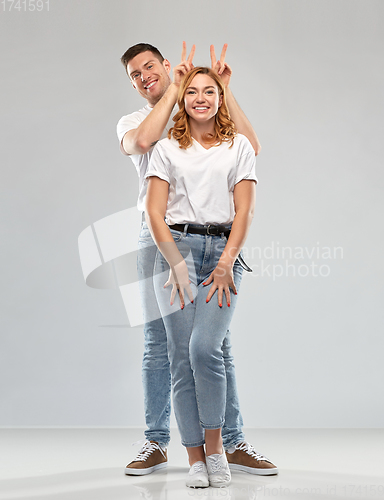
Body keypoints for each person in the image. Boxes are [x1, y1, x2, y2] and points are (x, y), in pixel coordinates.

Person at [116, 42, 278, 477]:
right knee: (160, 346)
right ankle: (157, 440)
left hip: (213, 239)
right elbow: (146, 140)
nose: (144, 75)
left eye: (150, 66)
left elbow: (250, 145)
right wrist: (177, 89)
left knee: (213, 347)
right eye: (135, 74)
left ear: (167, 65)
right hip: (159, 238)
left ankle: (230, 440)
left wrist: (221, 89)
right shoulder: (138, 121)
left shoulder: (203, 107)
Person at [144, 65, 260, 487]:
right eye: (191, 91)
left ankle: (215, 449)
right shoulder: (166, 149)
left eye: (209, 91)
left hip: (222, 255)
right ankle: (194, 457)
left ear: (220, 97)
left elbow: (244, 210)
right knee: (179, 354)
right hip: (176, 251)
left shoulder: (238, 146)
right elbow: (154, 212)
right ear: (182, 98)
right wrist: (175, 262)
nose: (200, 98)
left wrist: (228, 260)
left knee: (205, 349)